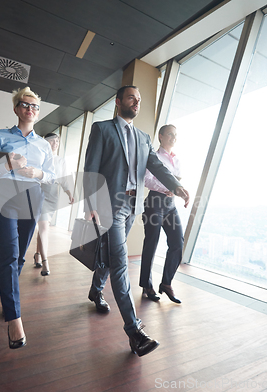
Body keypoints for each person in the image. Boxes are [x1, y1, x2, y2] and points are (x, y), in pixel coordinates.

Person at [83, 85, 190, 357]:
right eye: (132, 97)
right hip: (109, 205)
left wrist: (176, 186)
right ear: (119, 102)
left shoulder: (143, 138)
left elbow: (156, 166)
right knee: (120, 262)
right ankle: (135, 332)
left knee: (109, 256)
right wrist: (91, 204)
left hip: (133, 206)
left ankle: (96, 291)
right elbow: (91, 168)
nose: (137, 102)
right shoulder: (102, 129)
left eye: (139, 99)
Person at [0, 87, 55, 349]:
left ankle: (7, 298)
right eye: (25, 105)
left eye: (35, 106)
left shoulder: (44, 144)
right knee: (10, 254)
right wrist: (8, 164)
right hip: (5, 192)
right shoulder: (1, 136)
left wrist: (38, 174)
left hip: (31, 196)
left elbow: (50, 175)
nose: (30, 109)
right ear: (16, 109)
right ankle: (14, 317)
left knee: (21, 255)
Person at [140, 124, 184, 304]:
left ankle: (166, 283)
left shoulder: (177, 160)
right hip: (154, 204)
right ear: (161, 136)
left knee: (177, 242)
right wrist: (167, 187)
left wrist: (174, 188)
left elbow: (178, 179)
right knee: (151, 244)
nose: (174, 138)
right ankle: (146, 285)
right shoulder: (154, 157)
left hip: (170, 205)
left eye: (176, 135)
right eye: (170, 134)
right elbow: (147, 179)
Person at [33, 133, 74, 276]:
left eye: (57, 141)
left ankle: (37, 254)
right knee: (44, 226)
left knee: (43, 226)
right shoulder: (39, 157)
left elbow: (63, 179)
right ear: (45, 142)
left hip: (53, 194)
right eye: (52, 140)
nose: (55, 143)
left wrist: (69, 193)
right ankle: (45, 262)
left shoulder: (60, 160)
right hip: (40, 191)